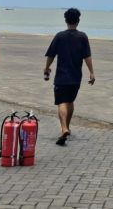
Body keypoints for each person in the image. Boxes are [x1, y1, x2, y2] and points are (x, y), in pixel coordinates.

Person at [43, 8, 95, 146]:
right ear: (78, 21)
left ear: (66, 20)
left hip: (61, 76)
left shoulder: (60, 36)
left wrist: (47, 67)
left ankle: (64, 128)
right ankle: (68, 127)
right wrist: (91, 72)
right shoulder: (82, 36)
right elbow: (87, 56)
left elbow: (51, 55)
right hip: (76, 77)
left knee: (61, 102)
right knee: (70, 101)